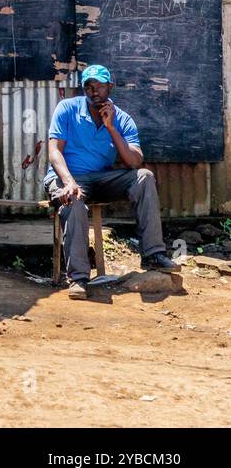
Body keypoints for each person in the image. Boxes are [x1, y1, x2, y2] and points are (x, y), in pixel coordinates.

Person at [45, 64, 178, 300]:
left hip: (101, 179)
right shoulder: (67, 108)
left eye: (99, 86)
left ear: (110, 88)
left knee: (144, 177)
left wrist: (111, 127)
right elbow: (54, 152)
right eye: (89, 86)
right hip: (66, 177)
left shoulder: (123, 119)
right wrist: (68, 182)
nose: (94, 91)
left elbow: (134, 162)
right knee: (73, 200)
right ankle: (78, 279)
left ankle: (153, 254)